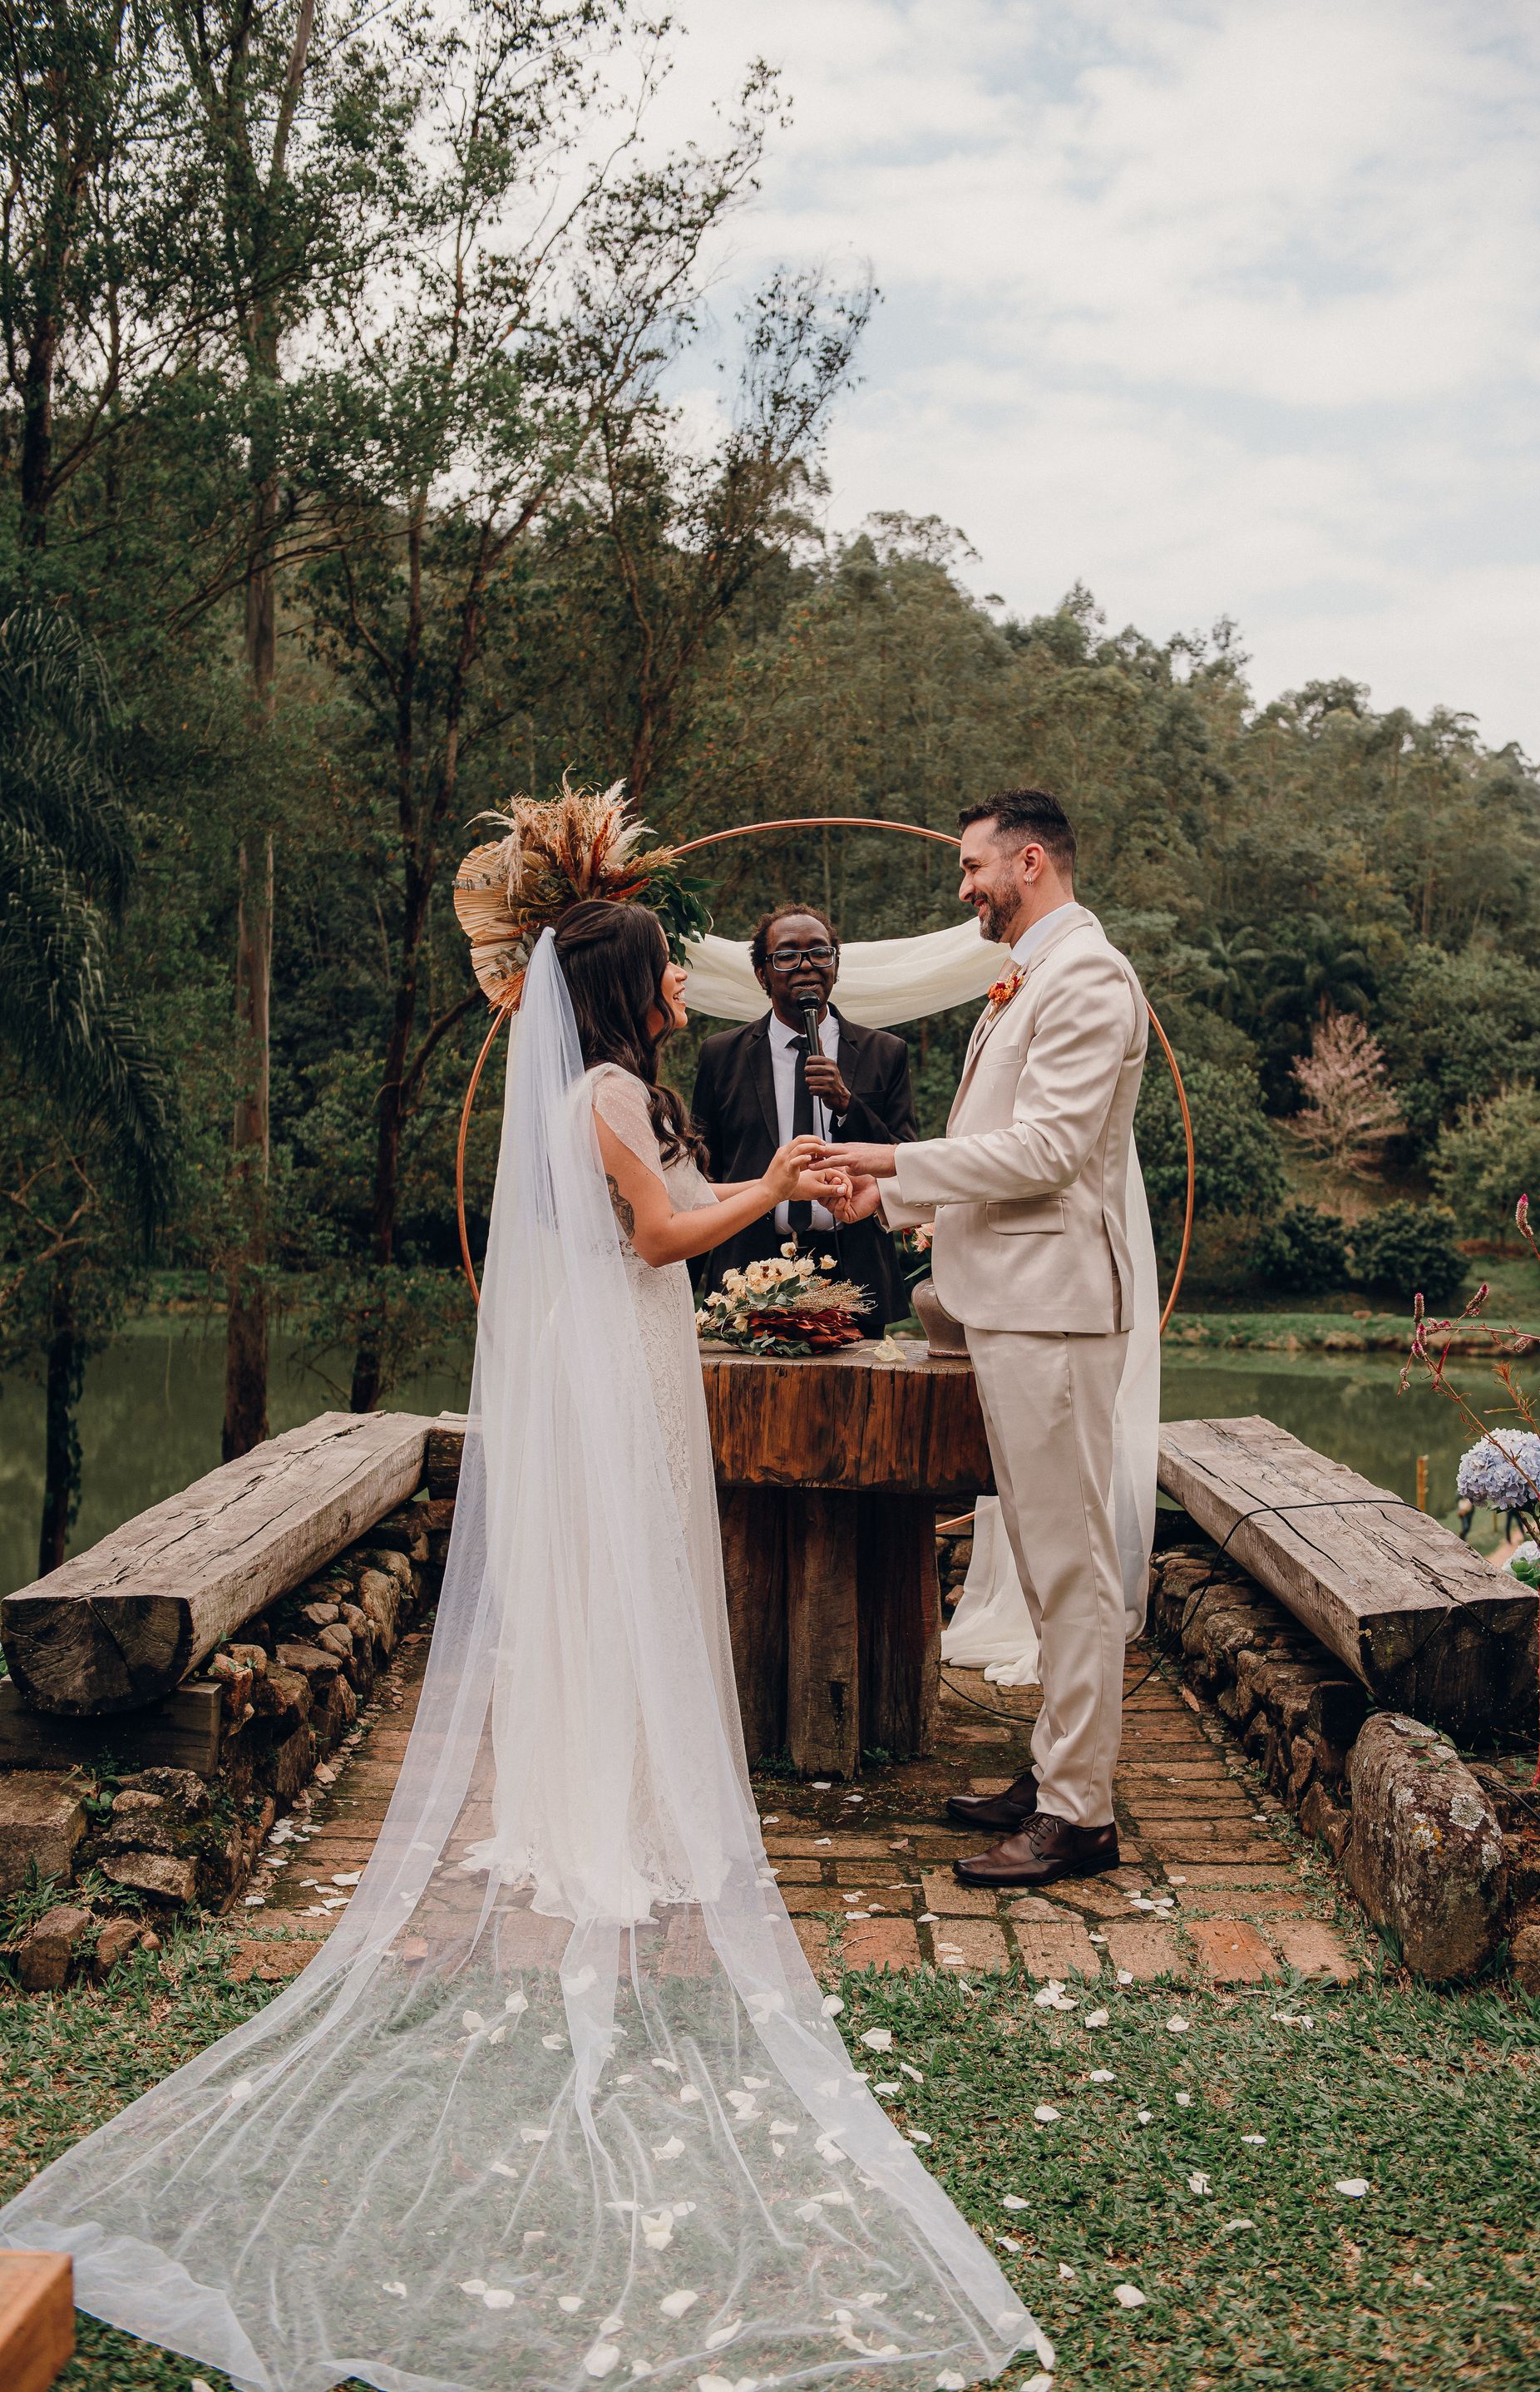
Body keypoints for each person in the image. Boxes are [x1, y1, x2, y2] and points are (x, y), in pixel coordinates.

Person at [0, 888, 1040, 2392]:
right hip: (620, 1365)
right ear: (629, 989)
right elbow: (663, 1232)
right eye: (668, 965)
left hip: (624, 1354)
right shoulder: (610, 1092)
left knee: (630, 1586)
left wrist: (772, 1177)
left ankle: (594, 1796)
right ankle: (599, 1818)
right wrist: (779, 1185)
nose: (692, 982)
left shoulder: (608, 1084)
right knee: (626, 1582)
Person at [824, 789, 1152, 1890]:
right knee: (1051, 1559)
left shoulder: (1090, 978)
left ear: (1029, 863)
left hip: (1053, 1311)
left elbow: (1048, 1150)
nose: (962, 886)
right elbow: (992, 1144)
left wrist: (888, 1166)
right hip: (1014, 1304)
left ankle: (1079, 1814)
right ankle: (1057, 1771)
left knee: (1071, 1568)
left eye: (972, 868)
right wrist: (898, 1205)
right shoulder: (1030, 977)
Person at [692, 905, 917, 1332]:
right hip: (748, 1268)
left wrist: (848, 1104)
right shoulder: (721, 1055)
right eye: (786, 955)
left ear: (835, 964)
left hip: (853, 1269)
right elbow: (703, 1173)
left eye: (820, 952)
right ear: (762, 973)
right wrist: (683, 1284)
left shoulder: (884, 1052)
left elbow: (903, 1158)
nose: (806, 965)